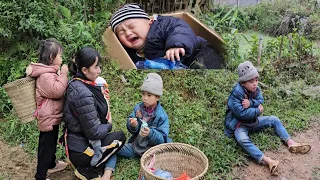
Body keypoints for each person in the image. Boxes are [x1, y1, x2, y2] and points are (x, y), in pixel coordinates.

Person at [224, 61, 312, 175]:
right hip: (239, 124)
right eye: (251, 81)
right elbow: (242, 113)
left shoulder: (255, 89)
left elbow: (261, 100)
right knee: (242, 139)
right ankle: (268, 161)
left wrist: (250, 103)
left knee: (274, 119)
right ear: (243, 83)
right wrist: (258, 110)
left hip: (253, 120)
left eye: (256, 80)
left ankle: (291, 143)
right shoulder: (236, 93)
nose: (255, 84)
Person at [63, 47, 126, 180]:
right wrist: (109, 124)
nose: (99, 71)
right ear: (84, 70)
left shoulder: (77, 82)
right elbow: (94, 133)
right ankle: (88, 169)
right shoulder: (83, 94)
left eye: (99, 67)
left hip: (77, 142)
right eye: (95, 67)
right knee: (120, 138)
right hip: (81, 149)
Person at [110, 3, 224, 69]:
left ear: (149, 22)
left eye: (131, 26)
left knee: (207, 62)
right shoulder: (130, 53)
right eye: (121, 32)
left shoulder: (161, 26)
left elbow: (179, 28)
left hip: (195, 50)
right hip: (177, 66)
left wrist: (176, 45)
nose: (128, 33)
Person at [26, 38, 68, 180]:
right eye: (60, 55)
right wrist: (63, 74)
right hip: (48, 118)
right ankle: (40, 176)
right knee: (46, 147)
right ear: (51, 58)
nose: (62, 58)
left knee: (50, 144)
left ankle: (51, 164)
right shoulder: (45, 76)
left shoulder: (49, 72)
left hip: (52, 117)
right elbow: (57, 91)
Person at [117, 73, 172, 158]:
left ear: (157, 97)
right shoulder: (138, 108)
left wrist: (150, 133)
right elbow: (131, 128)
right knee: (116, 148)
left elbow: (162, 140)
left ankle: (148, 159)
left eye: (149, 95)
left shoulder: (162, 116)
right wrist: (133, 125)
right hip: (135, 147)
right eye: (143, 94)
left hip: (151, 152)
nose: (145, 98)